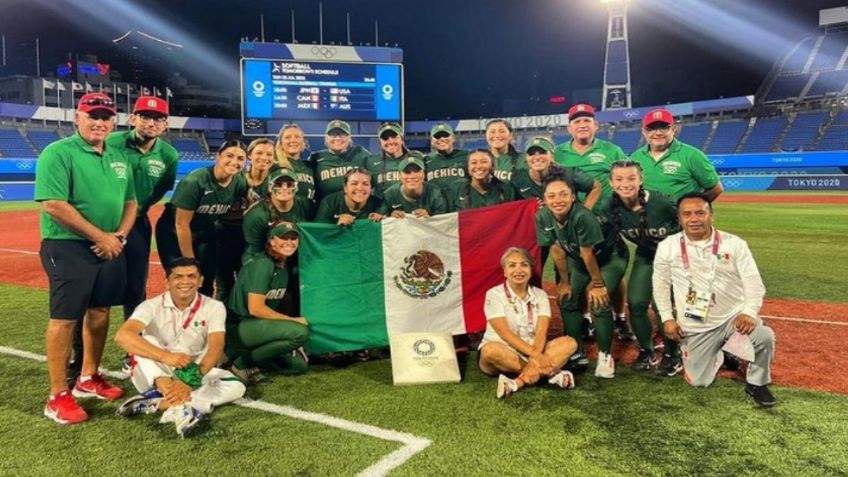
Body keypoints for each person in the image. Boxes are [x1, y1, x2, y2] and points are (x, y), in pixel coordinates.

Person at [35, 92, 136, 424]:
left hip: (111, 245)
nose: (100, 122)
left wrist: (118, 235)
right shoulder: (58, 152)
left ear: (114, 122)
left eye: (106, 117)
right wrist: (101, 237)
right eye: (93, 115)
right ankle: (57, 395)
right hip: (68, 246)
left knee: (100, 311)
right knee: (64, 319)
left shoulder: (118, 155)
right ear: (77, 118)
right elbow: (53, 204)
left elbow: (131, 202)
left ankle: (88, 377)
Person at [652, 192, 776, 407]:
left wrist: (749, 312)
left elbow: (754, 283)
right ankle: (724, 352)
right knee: (698, 382)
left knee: (764, 336)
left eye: (700, 213)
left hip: (732, 318)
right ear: (679, 219)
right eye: (687, 214)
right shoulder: (668, 246)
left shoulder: (735, 244)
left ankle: (757, 383)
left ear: (711, 215)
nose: (694, 219)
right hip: (695, 323)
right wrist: (667, 319)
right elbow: (661, 286)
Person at [113, 257, 246, 437]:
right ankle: (181, 405)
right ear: (167, 282)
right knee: (145, 341)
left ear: (201, 281)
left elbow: (216, 347)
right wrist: (166, 357)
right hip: (155, 372)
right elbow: (122, 336)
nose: (185, 281)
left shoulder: (214, 306)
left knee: (236, 386)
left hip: (193, 369)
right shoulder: (150, 306)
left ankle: (160, 404)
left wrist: (188, 382)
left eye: (192, 276)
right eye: (178, 277)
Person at [536, 172, 628, 378]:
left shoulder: (582, 215)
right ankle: (576, 351)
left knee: (599, 299)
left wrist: (597, 284)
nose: (557, 200)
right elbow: (558, 251)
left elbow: (588, 253)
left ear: (573, 196)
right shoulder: (542, 216)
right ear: (545, 199)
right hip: (578, 257)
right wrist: (565, 282)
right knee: (567, 298)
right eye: (551, 196)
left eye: (563, 194)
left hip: (610, 257)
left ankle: (605, 355)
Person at [554, 104, 633, 341]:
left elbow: (627, 177)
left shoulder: (612, 150)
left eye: (587, 121)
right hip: (569, 225)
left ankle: (619, 316)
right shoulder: (558, 153)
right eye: (577, 122)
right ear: (569, 128)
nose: (582, 125)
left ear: (596, 125)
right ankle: (586, 319)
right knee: (576, 269)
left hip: (607, 222)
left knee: (613, 273)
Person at [603, 160, 682, 374]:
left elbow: (694, 226)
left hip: (676, 261)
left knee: (662, 305)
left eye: (631, 178)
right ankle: (647, 350)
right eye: (619, 179)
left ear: (641, 179)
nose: (625, 183)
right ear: (611, 182)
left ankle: (673, 355)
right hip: (646, 256)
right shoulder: (608, 207)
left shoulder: (663, 203)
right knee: (636, 303)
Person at [478, 247, 578, 398]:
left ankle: (518, 382)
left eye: (524, 265)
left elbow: (541, 332)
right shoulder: (494, 294)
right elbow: (505, 334)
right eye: (512, 265)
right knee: (489, 350)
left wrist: (534, 356)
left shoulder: (541, 295)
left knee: (570, 343)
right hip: (504, 353)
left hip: (533, 350)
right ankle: (551, 373)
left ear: (531, 270)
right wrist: (538, 357)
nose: (518, 270)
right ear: (505, 271)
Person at [155, 140, 248, 296]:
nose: (234, 162)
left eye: (240, 158)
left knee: (206, 281)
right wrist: (190, 262)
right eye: (229, 156)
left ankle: (201, 319)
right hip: (174, 232)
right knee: (184, 279)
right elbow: (181, 224)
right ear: (218, 156)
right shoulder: (195, 181)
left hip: (205, 231)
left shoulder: (239, 182)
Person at [227, 221, 311, 383]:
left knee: (298, 366)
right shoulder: (263, 264)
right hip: (240, 326)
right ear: (272, 241)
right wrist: (292, 322)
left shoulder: (284, 265)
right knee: (300, 332)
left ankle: (255, 358)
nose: (289, 242)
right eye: (283, 238)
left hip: (260, 327)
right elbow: (255, 309)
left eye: (293, 238)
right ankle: (240, 364)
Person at [215, 138, 275, 304]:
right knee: (224, 285)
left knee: (250, 283)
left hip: (258, 240)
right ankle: (220, 324)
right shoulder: (235, 175)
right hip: (227, 237)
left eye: (269, 154)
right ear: (249, 155)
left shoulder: (276, 182)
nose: (264, 157)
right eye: (259, 153)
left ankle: (244, 321)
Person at [630, 108, 723, 202]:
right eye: (651, 128)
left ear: (674, 129)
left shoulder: (693, 155)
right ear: (644, 132)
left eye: (664, 127)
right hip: (647, 216)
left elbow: (716, 189)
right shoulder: (635, 158)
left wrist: (691, 209)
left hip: (679, 217)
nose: (658, 133)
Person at [242, 168, 312, 260]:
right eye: (278, 184)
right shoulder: (256, 215)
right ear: (270, 187)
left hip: (299, 256)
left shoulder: (307, 205)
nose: (284, 188)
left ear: (296, 187)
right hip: (266, 257)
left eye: (289, 184)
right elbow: (254, 250)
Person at [511, 136, 600, 207]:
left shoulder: (568, 173)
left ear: (552, 156)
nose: (537, 157)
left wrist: (585, 212)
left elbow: (596, 186)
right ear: (526, 158)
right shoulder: (518, 179)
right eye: (531, 154)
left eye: (542, 152)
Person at [311, 119, 370, 200]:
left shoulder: (360, 153)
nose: (338, 138)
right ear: (326, 138)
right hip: (327, 209)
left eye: (342, 134)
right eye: (333, 135)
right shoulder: (316, 158)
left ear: (349, 138)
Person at [379, 156, 449, 218]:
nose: (412, 176)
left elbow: (442, 223)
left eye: (417, 171)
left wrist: (429, 218)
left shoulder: (435, 192)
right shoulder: (389, 195)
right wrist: (390, 218)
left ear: (424, 174)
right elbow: (380, 222)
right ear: (399, 176)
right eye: (407, 172)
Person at [366, 122, 419, 198]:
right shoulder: (370, 162)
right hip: (382, 208)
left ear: (401, 139)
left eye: (394, 136)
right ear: (380, 142)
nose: (390, 141)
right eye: (385, 138)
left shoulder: (416, 157)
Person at [314, 167, 384, 225]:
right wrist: (336, 222)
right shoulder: (329, 202)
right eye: (354, 183)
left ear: (371, 188)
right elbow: (317, 231)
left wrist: (382, 220)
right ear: (345, 188)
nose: (360, 188)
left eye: (365, 184)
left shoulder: (379, 205)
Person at [424, 123, 469, 205]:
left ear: (453, 138)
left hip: (463, 208)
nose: (442, 139)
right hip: (437, 210)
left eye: (446, 135)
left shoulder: (467, 156)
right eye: (437, 136)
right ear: (432, 141)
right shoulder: (425, 161)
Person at [272, 123, 317, 205]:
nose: (293, 140)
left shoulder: (309, 166)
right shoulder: (274, 166)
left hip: (309, 215)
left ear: (303, 142)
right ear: (281, 143)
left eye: (297, 137)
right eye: (287, 137)